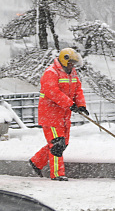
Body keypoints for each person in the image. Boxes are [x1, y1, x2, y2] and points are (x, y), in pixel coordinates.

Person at [29, 48, 89, 181]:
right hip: (50, 115)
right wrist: (70, 104)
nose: (72, 65)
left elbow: (78, 89)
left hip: (64, 115)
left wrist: (81, 105)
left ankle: (36, 162)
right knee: (57, 144)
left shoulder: (72, 74)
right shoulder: (50, 73)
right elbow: (53, 93)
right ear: (64, 60)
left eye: (74, 63)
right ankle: (57, 174)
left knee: (64, 142)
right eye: (70, 63)